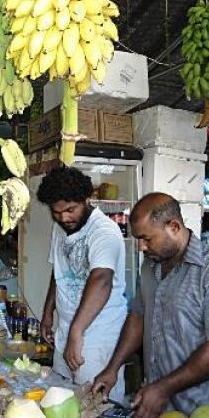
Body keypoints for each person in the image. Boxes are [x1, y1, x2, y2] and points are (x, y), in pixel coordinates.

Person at [92, 193, 209, 418]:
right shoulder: (150, 266)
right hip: (160, 411)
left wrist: (163, 388)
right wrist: (113, 368)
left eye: (147, 239)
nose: (141, 247)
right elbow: (138, 316)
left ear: (174, 227)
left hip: (207, 415)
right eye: (138, 239)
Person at [36, 166, 127, 397]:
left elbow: (102, 280)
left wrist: (77, 333)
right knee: (63, 399)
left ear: (86, 200)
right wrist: (48, 313)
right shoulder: (61, 228)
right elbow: (59, 273)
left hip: (98, 334)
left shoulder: (104, 231)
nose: (64, 217)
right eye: (56, 212)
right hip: (67, 328)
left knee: (95, 406)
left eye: (70, 210)